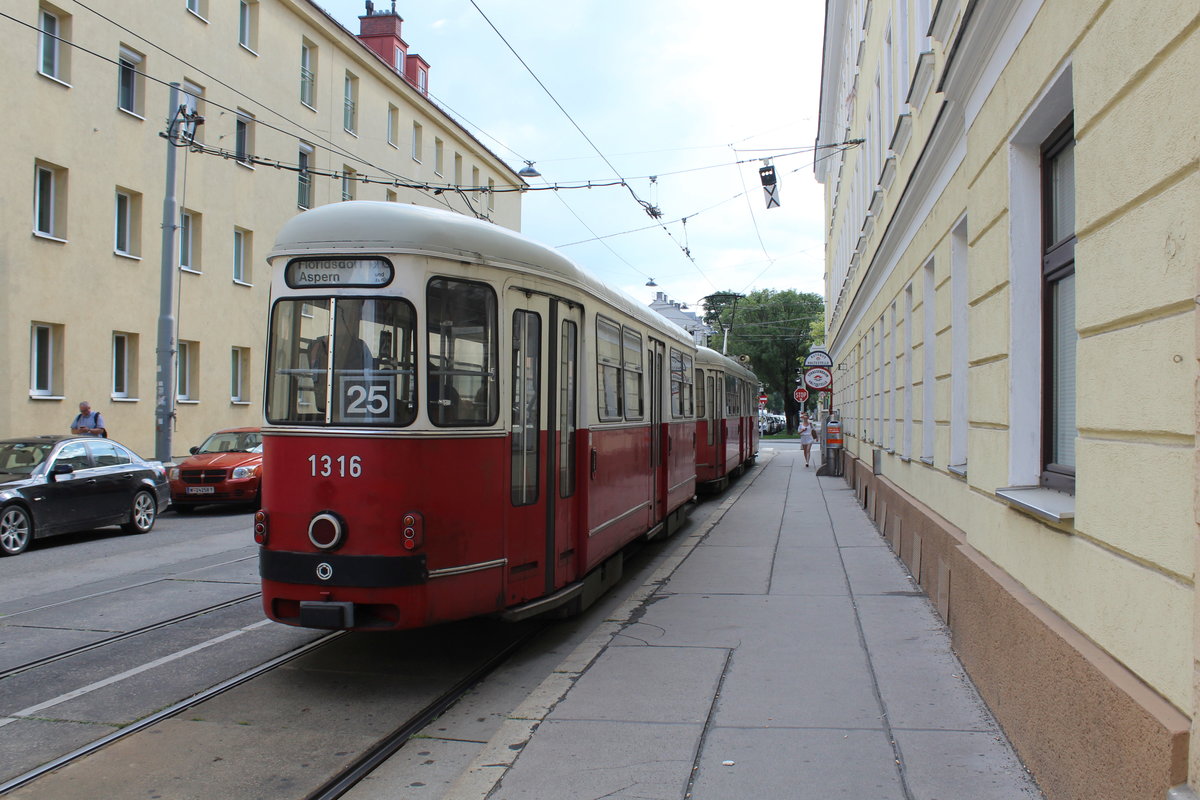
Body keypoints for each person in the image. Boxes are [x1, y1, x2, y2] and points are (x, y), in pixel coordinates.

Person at [307, 300, 374, 414]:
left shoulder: (315, 346)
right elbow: (370, 378)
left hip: (351, 405)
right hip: (349, 404)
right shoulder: (316, 346)